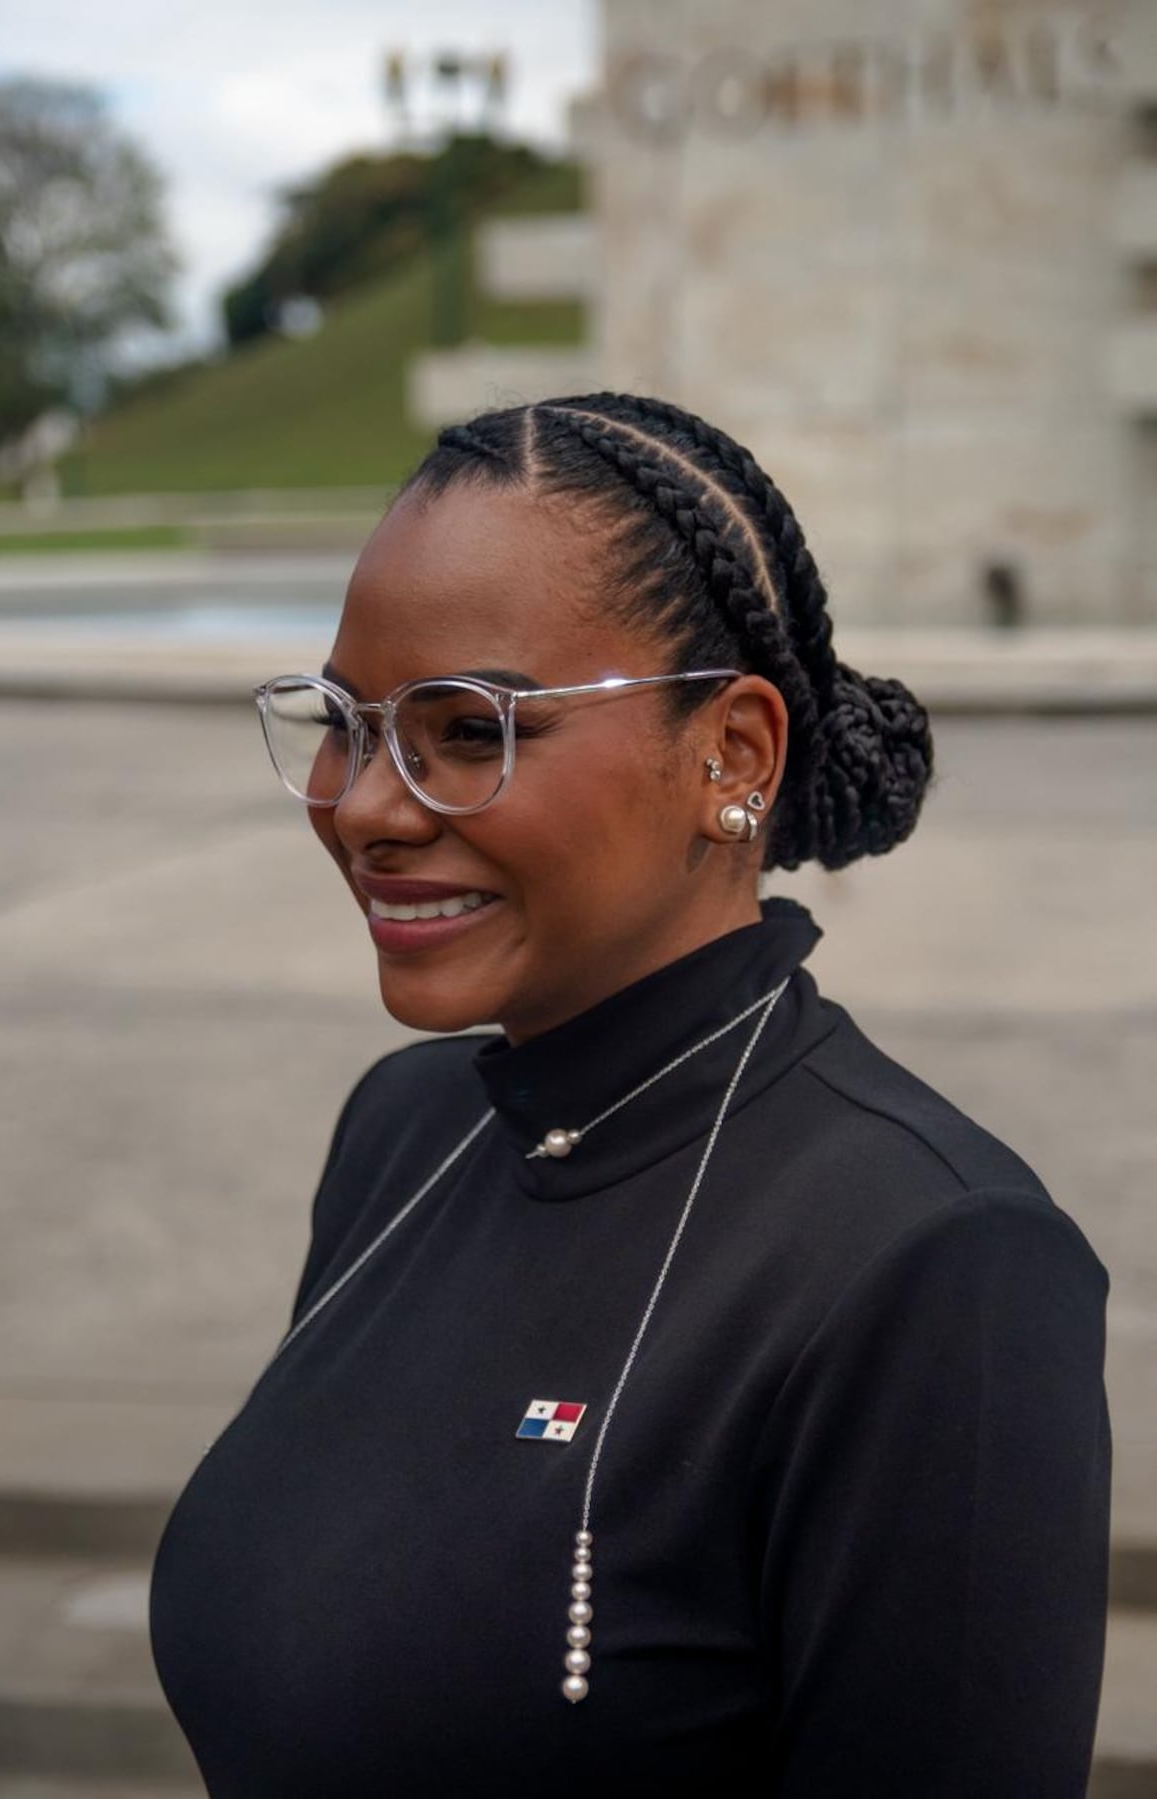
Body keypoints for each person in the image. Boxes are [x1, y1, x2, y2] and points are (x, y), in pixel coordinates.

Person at [148, 392, 1111, 1797]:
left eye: (468, 731)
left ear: (733, 754)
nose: (364, 805)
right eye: (347, 721)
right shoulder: (405, 1134)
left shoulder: (933, 1266)